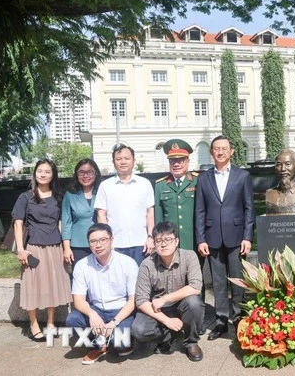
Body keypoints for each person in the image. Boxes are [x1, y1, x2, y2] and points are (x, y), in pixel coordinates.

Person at [195, 135, 255, 340]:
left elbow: (249, 208)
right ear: (211, 153)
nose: (220, 152)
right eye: (216, 149)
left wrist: (248, 236)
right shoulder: (203, 178)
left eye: (224, 148)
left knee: (238, 281)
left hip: (237, 238)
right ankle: (221, 321)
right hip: (212, 239)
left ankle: (239, 318)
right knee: (218, 282)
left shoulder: (242, 176)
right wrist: (201, 239)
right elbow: (199, 212)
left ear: (231, 152)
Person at [12, 159, 71, 342]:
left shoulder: (59, 196)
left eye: (47, 171)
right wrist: (20, 250)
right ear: (35, 173)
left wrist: (64, 246)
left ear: (53, 175)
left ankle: (52, 323)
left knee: (52, 285)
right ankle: (33, 324)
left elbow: (61, 222)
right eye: (40, 171)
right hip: (33, 247)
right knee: (33, 285)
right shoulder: (25, 197)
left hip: (54, 246)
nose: (43, 174)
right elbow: (18, 223)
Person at [132, 222, 205, 362]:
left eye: (168, 240)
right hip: (159, 310)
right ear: (154, 243)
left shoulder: (189, 256)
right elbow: (141, 300)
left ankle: (191, 342)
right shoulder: (147, 264)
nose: (163, 244)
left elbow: (196, 286)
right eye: (159, 240)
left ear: (176, 241)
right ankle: (169, 335)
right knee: (138, 330)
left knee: (194, 303)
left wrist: (165, 299)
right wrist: (167, 321)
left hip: (181, 305)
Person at [65, 223, 138, 365]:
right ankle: (98, 346)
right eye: (93, 241)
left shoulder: (128, 263)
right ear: (89, 244)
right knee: (72, 321)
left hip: (121, 311)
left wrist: (114, 323)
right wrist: (92, 314)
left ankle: (122, 340)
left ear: (111, 240)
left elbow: (132, 301)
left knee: (119, 343)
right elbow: (78, 300)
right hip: (97, 309)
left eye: (103, 240)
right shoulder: (82, 265)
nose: (98, 245)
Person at [154, 139, 203, 300]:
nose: (176, 164)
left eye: (180, 160)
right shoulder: (161, 185)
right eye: (173, 160)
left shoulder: (197, 181)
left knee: (195, 279)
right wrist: (159, 241)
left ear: (188, 161)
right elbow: (158, 217)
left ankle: (198, 317)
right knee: (171, 280)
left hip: (192, 242)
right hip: (169, 244)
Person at [95, 144, 155, 265]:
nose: (123, 162)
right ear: (113, 162)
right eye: (119, 159)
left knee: (141, 281)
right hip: (115, 244)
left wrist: (150, 237)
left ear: (133, 161)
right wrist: (106, 242)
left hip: (141, 244)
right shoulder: (105, 186)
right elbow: (101, 215)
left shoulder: (144, 184)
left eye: (127, 158)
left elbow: (150, 213)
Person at [61, 158, 102, 271]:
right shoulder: (70, 195)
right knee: (80, 277)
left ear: (96, 173)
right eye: (81, 172)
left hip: (101, 243)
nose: (85, 176)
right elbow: (66, 223)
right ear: (76, 174)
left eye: (89, 172)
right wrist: (66, 248)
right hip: (79, 245)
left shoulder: (102, 191)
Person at [265, 149, 295, 214]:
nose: (283, 169)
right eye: (279, 164)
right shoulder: (269, 194)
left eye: (288, 164)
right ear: (275, 168)